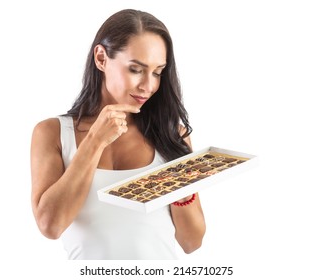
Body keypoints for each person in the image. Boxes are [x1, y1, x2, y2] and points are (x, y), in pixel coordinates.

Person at [30, 9, 206, 260]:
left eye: (157, 72)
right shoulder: (53, 133)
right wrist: (95, 141)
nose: (149, 86)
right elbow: (50, 225)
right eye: (136, 69)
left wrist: (180, 187)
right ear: (101, 58)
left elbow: (192, 242)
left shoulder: (172, 136)